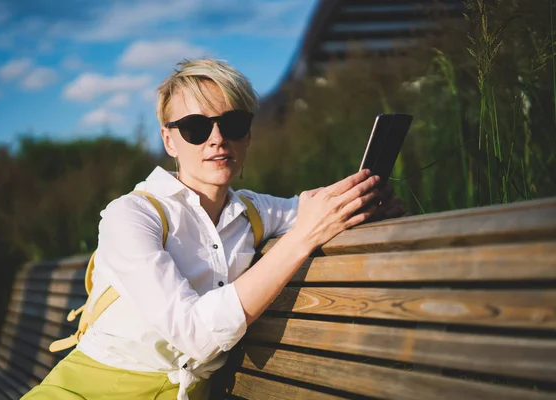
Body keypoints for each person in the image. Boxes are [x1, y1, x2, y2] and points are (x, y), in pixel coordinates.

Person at [22, 58, 405, 400]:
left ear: (248, 135)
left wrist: (366, 203)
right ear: (169, 140)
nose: (217, 139)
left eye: (233, 124)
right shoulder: (131, 216)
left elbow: (312, 208)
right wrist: (304, 237)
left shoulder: (253, 211)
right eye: (195, 127)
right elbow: (194, 334)